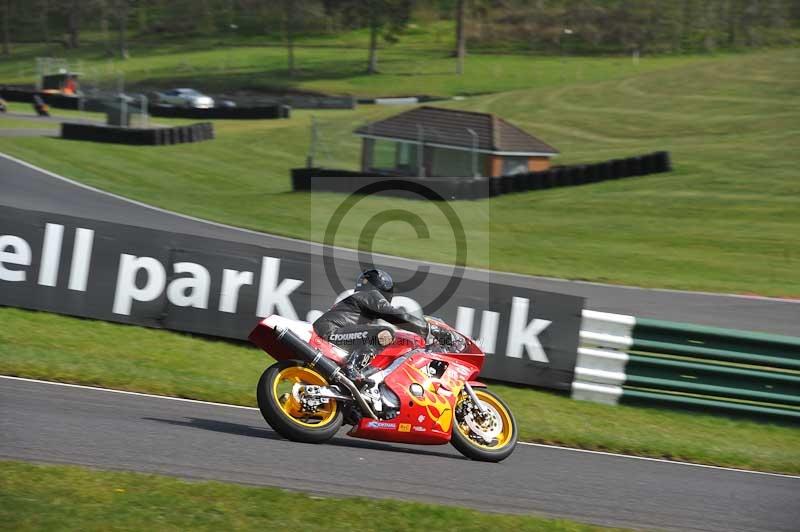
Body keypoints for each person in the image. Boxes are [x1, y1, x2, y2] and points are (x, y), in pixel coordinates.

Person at [313, 269, 429, 381]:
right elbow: (396, 316)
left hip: (333, 332)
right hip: (330, 332)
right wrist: (428, 329)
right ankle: (352, 367)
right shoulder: (370, 295)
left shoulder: (361, 299)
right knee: (385, 334)